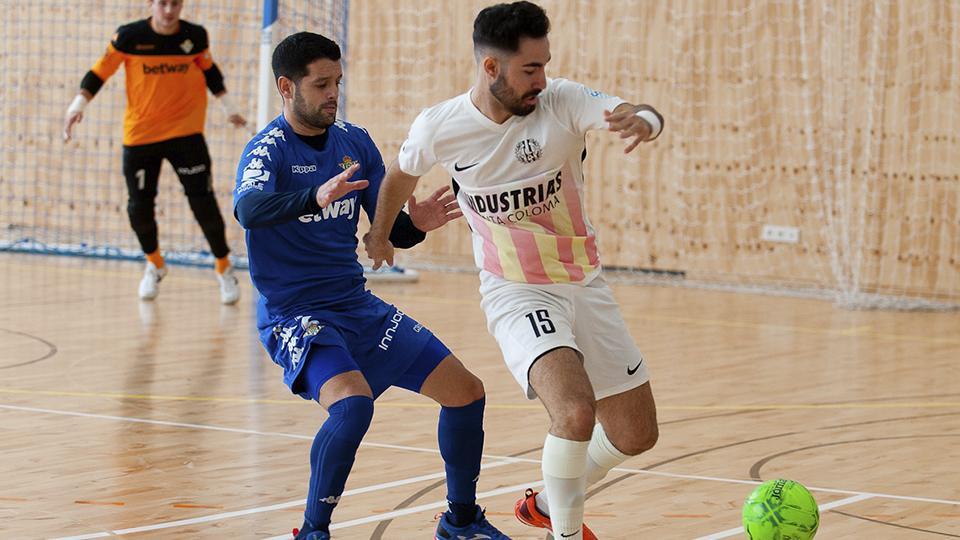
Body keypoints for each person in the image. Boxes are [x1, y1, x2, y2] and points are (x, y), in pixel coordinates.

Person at [365, 2, 663, 539]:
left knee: (637, 433)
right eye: (530, 69)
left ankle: (549, 502)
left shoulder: (562, 100)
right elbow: (400, 176)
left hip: (584, 283)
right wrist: (381, 234)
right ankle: (565, 533)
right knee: (574, 413)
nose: (541, 80)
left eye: (545, 65)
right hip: (516, 290)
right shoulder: (442, 126)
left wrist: (645, 118)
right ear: (490, 68)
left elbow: (632, 110)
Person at [233, 32, 510, 540]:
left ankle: (460, 522)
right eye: (321, 85)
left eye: (337, 82)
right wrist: (313, 197)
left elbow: (386, 229)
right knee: (353, 405)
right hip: (296, 315)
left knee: (467, 394)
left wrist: (414, 224)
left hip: (355, 306)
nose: (333, 93)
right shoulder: (267, 149)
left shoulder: (354, 142)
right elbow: (248, 210)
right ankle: (313, 531)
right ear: (286, 88)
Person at [63, 0, 247, 304]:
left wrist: (229, 108)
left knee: (203, 203)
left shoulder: (195, 37)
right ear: (151, 4)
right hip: (141, 136)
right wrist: (77, 106)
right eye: (162, 3)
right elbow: (99, 73)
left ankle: (224, 268)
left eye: (175, 4)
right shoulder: (129, 37)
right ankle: (155, 264)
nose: (169, 10)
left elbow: (210, 72)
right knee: (139, 206)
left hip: (186, 135)